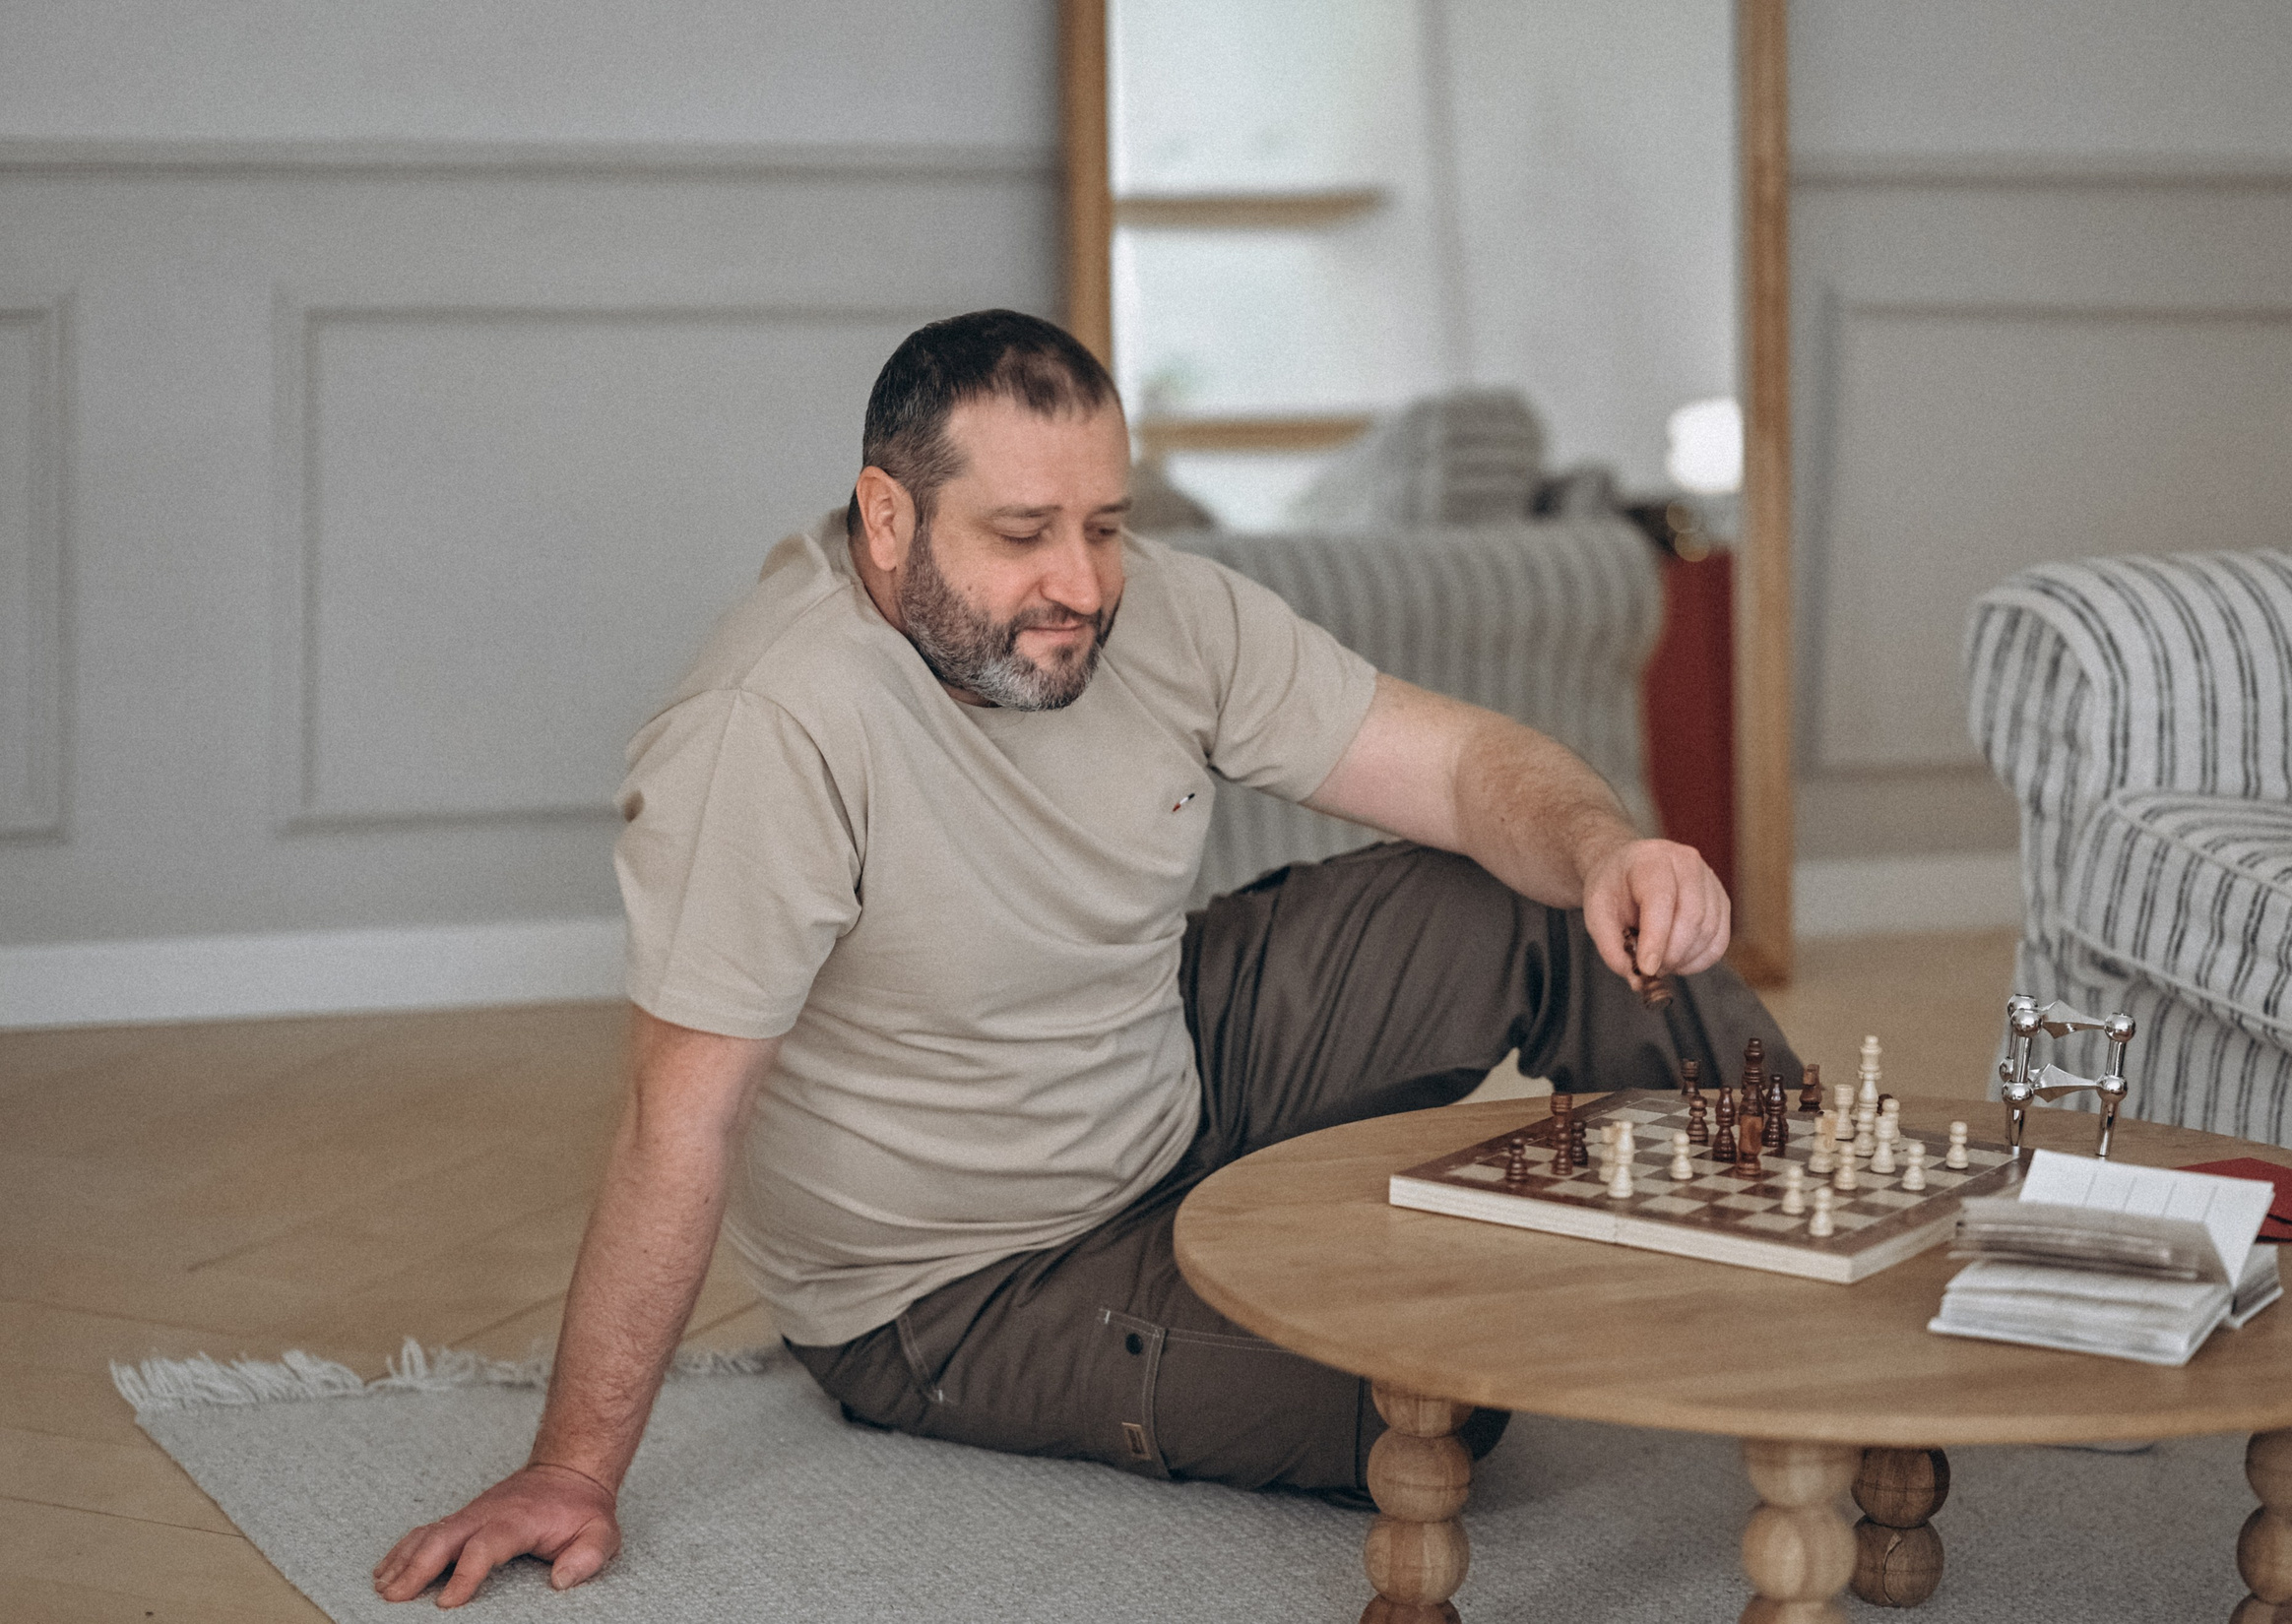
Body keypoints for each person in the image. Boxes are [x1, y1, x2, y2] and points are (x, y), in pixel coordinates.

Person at [373, 310, 1793, 1607]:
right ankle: (1331, 1256)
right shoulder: (772, 723)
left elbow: (1470, 761)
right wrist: (571, 1465)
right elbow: (676, 1121)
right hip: (963, 1280)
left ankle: (1831, 1232)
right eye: (1023, 531)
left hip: (1164, 1056)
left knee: (1546, 892)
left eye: (1106, 524)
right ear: (886, 516)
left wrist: (1607, 847)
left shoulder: (1165, 609)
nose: (1082, 582)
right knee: (1431, 1390)